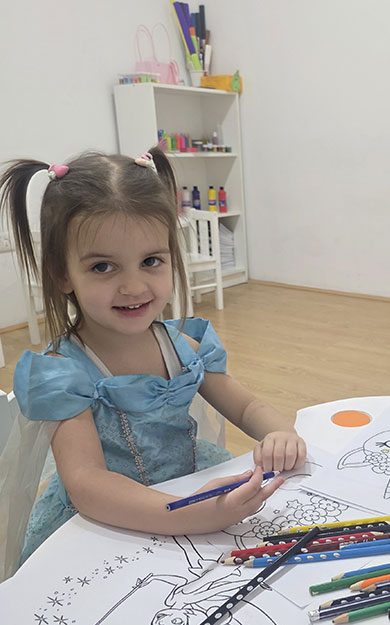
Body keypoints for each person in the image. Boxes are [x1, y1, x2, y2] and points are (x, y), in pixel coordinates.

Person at [0, 147, 306, 574]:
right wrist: (186, 514)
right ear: (61, 273)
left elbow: (246, 406)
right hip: (110, 519)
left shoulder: (184, 345)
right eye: (103, 267)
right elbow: (88, 484)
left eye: (151, 261)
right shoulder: (63, 372)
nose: (134, 286)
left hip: (190, 485)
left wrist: (279, 434)